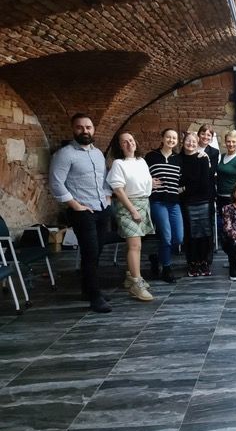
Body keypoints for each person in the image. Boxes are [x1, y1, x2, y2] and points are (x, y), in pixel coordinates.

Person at [49, 113, 113, 313]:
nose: (85, 131)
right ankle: (95, 297)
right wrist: (74, 205)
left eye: (88, 127)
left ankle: (88, 288)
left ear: (93, 129)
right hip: (82, 211)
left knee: (97, 252)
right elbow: (55, 182)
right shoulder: (65, 154)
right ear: (73, 130)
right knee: (90, 252)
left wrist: (108, 196)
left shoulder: (98, 153)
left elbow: (103, 179)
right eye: (80, 127)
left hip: (102, 209)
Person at [107, 131, 155, 301]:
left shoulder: (141, 161)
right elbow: (118, 190)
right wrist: (132, 210)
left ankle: (130, 276)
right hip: (128, 205)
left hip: (143, 203)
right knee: (135, 244)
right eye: (124, 142)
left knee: (136, 244)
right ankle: (136, 283)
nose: (129, 144)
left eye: (131, 140)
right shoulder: (118, 164)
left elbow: (144, 182)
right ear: (119, 146)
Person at [145, 128, 183, 283]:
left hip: (174, 202)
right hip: (158, 202)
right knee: (166, 236)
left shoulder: (179, 159)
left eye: (174, 138)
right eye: (168, 137)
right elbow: (141, 176)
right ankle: (167, 269)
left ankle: (156, 257)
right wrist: (148, 182)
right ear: (162, 138)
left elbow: (184, 180)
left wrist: (183, 188)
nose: (171, 140)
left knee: (178, 238)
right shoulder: (151, 156)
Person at [180, 132, 212, 276]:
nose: (191, 143)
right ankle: (192, 263)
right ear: (183, 142)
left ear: (197, 143)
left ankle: (204, 263)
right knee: (190, 234)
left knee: (204, 233)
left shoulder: (203, 158)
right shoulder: (178, 159)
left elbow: (204, 183)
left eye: (194, 141)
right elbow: (178, 182)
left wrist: (185, 188)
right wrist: (185, 188)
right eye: (188, 141)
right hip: (186, 202)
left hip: (203, 200)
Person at [217, 130, 236, 238]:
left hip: (233, 199)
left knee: (234, 227)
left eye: (234, 142)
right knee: (224, 226)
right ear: (225, 142)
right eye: (228, 141)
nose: (231, 144)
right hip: (220, 197)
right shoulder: (221, 156)